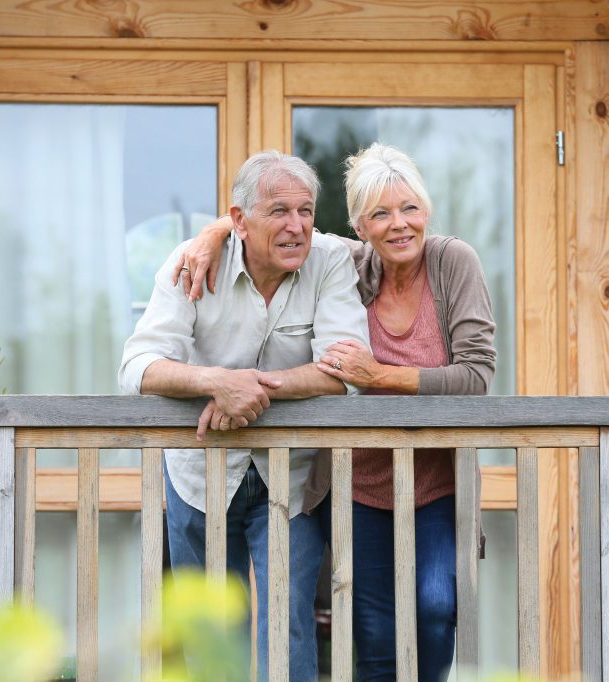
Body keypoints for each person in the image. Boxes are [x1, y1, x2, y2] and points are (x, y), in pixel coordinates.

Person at [179, 143, 496, 681]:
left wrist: (377, 376)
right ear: (358, 226)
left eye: (410, 208)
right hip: (358, 486)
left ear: (427, 210)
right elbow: (269, 223)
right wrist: (212, 235)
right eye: (381, 214)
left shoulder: (453, 262)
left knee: (437, 612)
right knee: (373, 635)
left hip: (437, 483)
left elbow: (476, 376)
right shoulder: (342, 262)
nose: (399, 225)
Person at [118, 150, 369, 681]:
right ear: (238, 221)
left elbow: (345, 369)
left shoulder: (331, 261)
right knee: (212, 635)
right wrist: (216, 382)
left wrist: (254, 392)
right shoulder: (190, 261)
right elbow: (137, 367)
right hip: (197, 471)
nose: (296, 226)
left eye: (305, 210)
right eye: (278, 211)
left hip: (292, 474)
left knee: (287, 625)